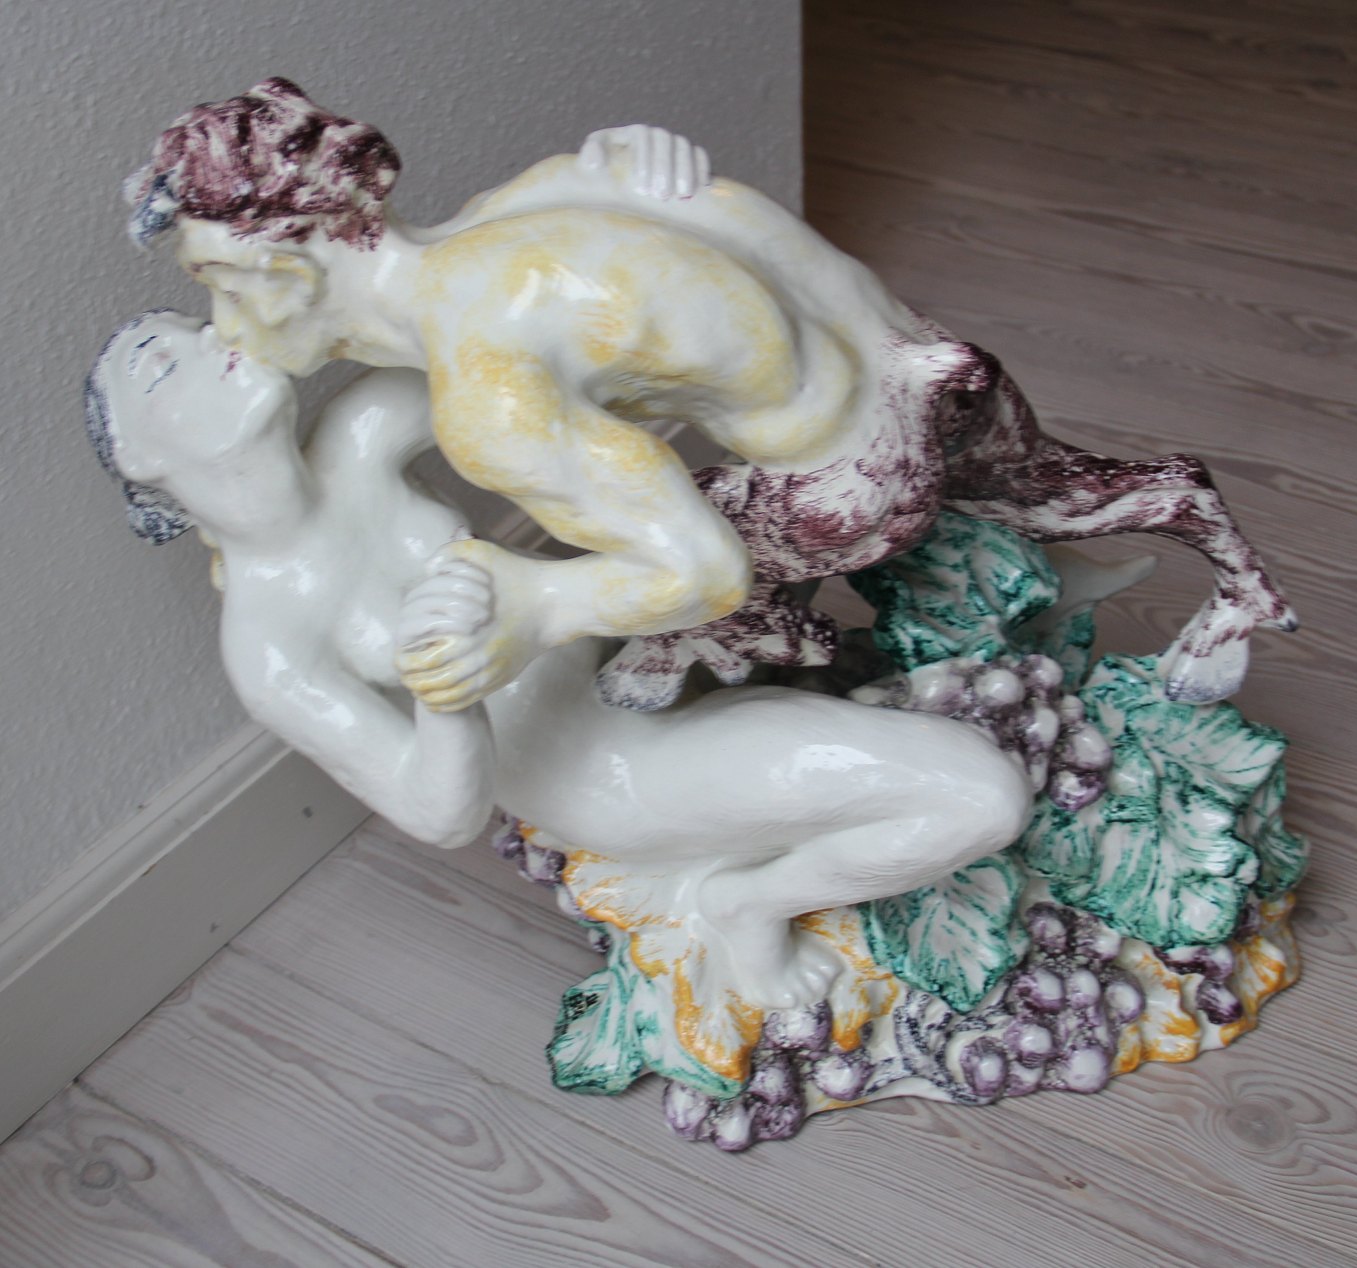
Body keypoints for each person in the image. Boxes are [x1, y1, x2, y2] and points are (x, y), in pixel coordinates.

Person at [126, 80, 1294, 711]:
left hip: (848, 480)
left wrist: (534, 604)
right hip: (919, 360)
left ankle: (838, 665)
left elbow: (701, 568)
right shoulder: (526, 198)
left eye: (213, 289)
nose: (224, 327)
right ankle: (1237, 582)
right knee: (1052, 489)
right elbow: (698, 208)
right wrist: (646, 153)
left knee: (668, 598)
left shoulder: (489, 396)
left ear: (278, 271)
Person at [86, 311, 1032, 1011]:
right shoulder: (269, 643)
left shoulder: (360, 437)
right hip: (611, 760)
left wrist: (627, 184)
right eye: (166, 363)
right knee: (978, 796)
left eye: (202, 325)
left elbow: (517, 341)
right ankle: (746, 904)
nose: (216, 340)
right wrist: (444, 687)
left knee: (850, 491)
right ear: (137, 454)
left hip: (661, 633)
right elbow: (437, 811)